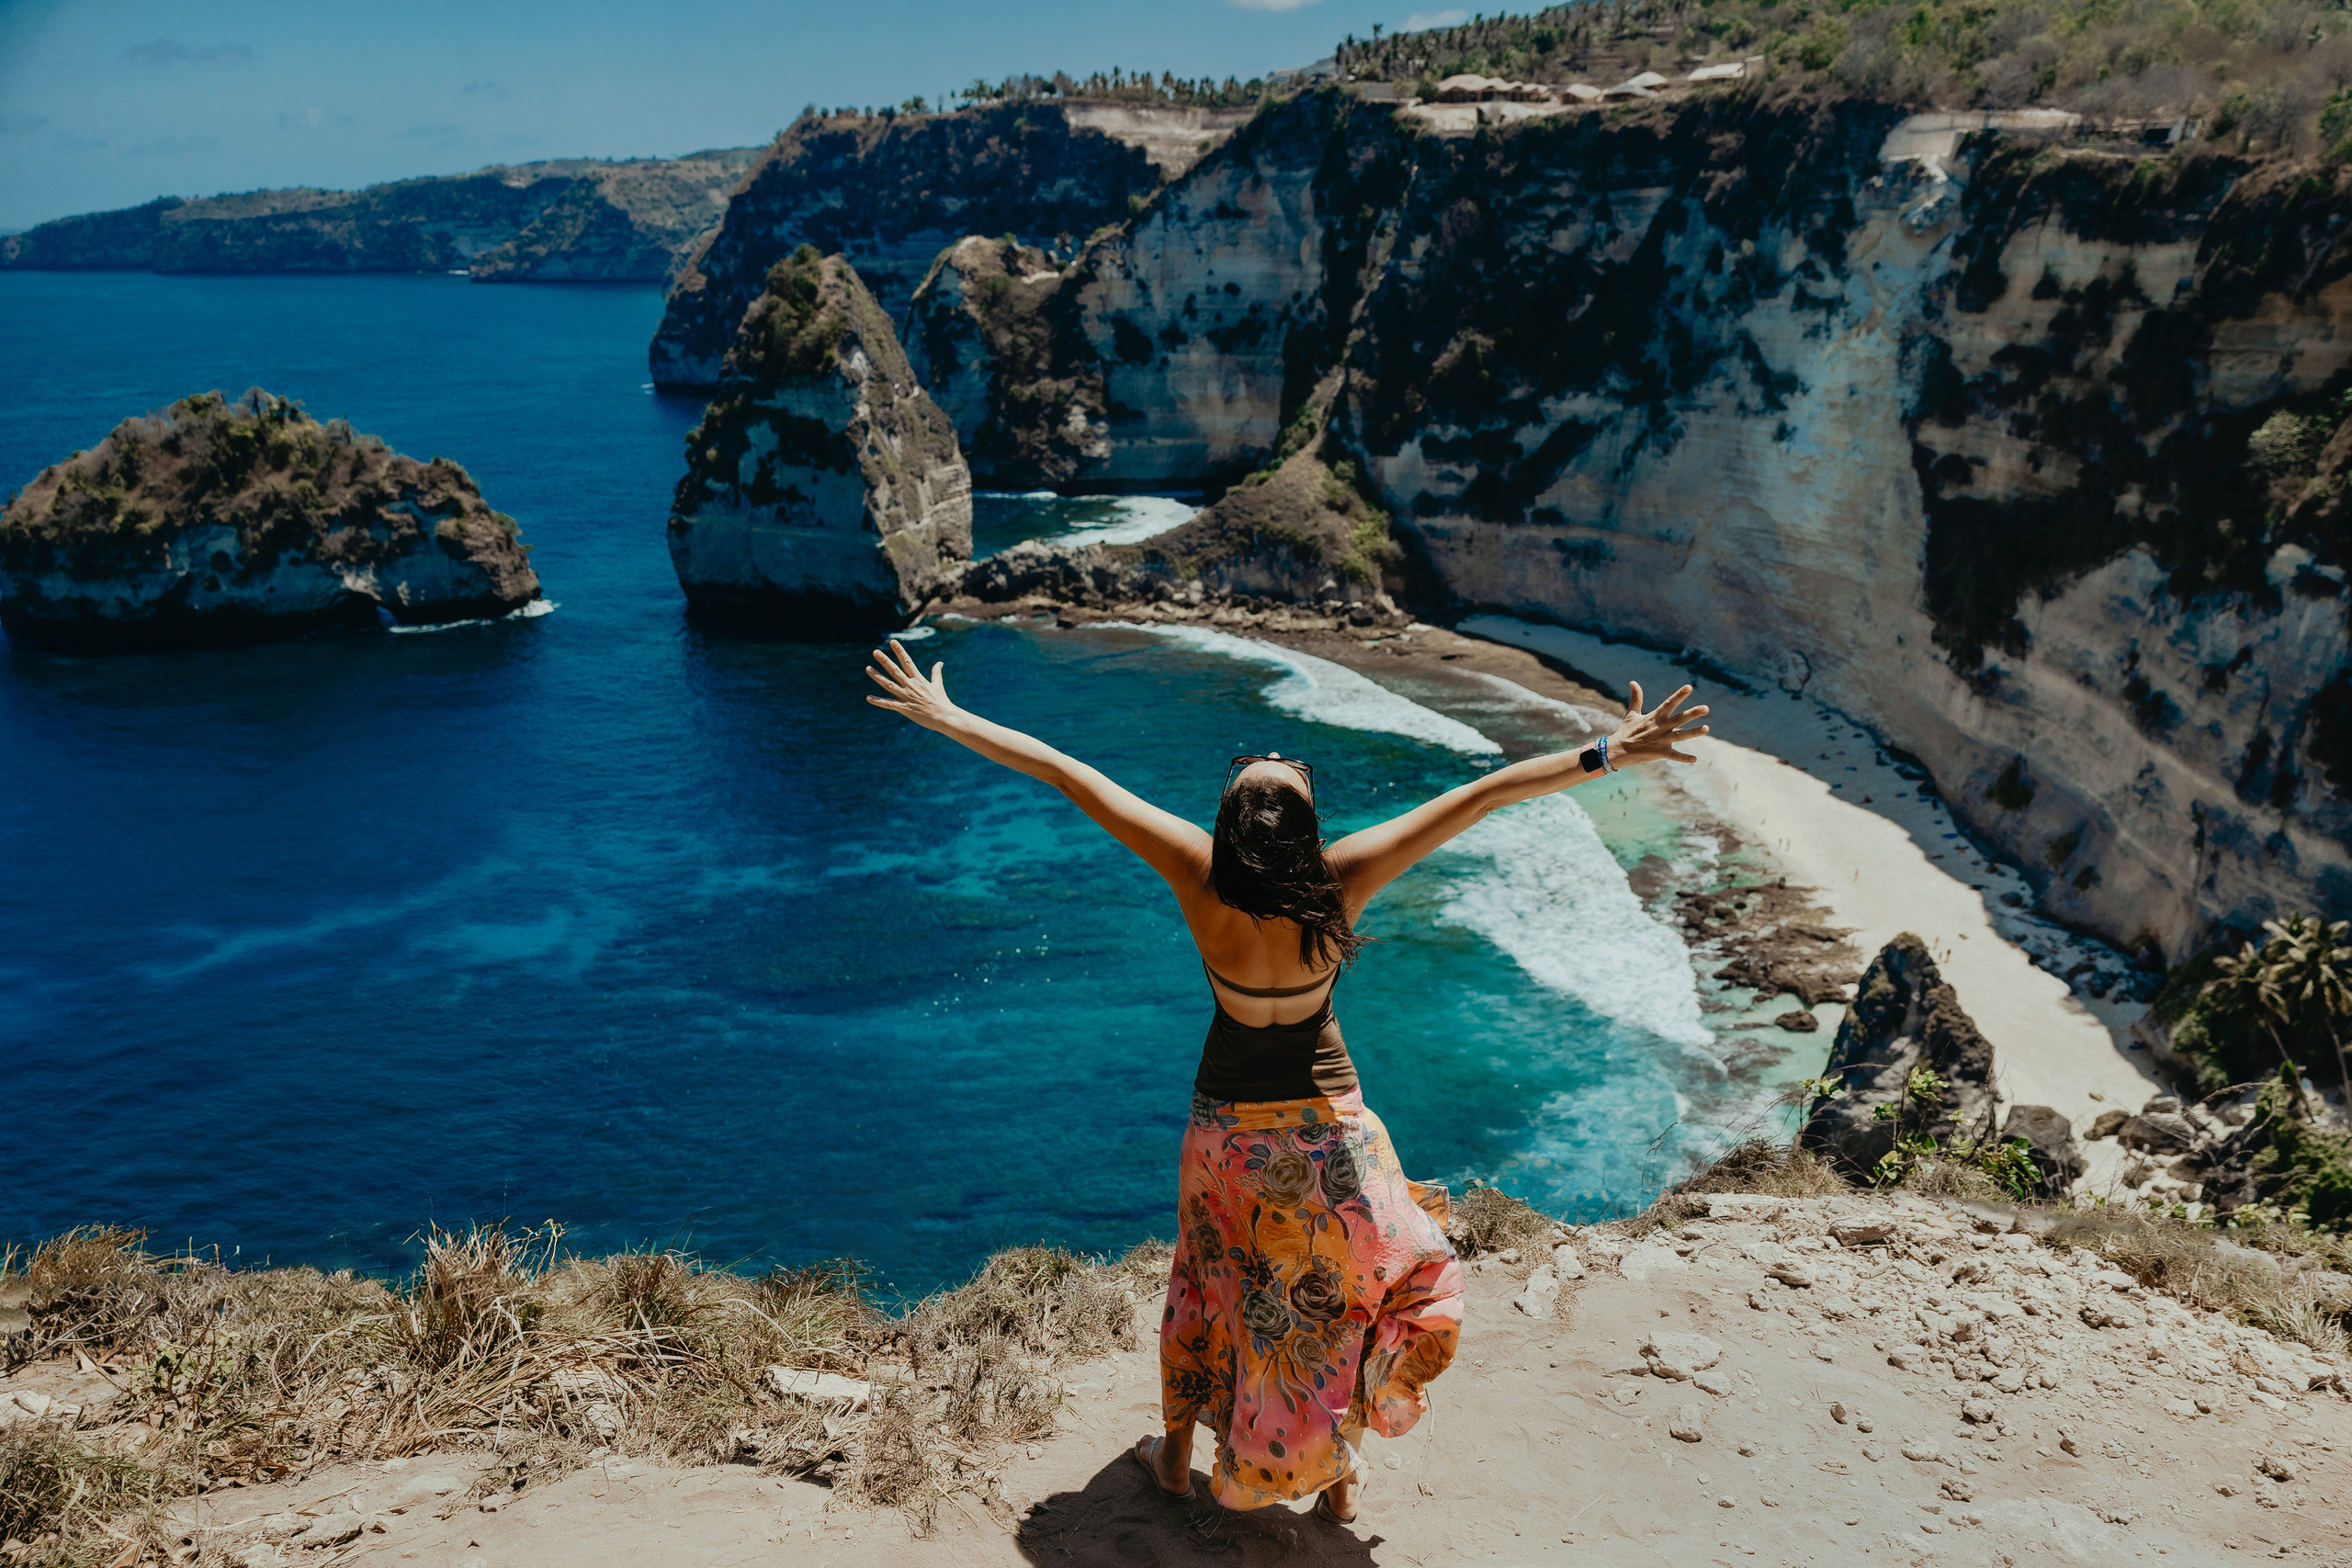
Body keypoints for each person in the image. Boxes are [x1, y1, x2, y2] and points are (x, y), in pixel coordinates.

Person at [862, 637, 1709, 1522]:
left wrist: (950, 717)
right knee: (1337, 1295)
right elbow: (1484, 794)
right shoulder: (1341, 879)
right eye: (1277, 768)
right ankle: (1338, 1482)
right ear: (1305, 829)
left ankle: (1179, 1458)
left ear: (1229, 825)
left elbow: (1071, 776)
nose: (1272, 759)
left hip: (1223, 1132)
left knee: (1211, 1282)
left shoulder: (1198, 872)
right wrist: (1609, 748)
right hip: (1329, 1132)